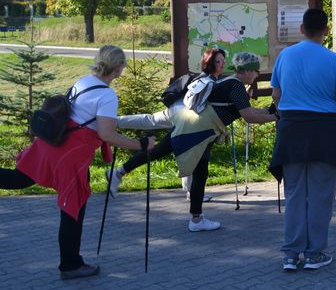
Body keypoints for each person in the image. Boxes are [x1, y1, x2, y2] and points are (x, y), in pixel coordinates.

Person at [0, 46, 154, 279]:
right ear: (119, 68)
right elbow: (106, 134)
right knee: (73, 208)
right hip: (69, 155)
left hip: (52, 143)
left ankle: (71, 261)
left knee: (19, 178)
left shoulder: (83, 81)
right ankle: (70, 265)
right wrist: (141, 145)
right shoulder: (107, 95)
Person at [108, 52, 276, 232]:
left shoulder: (228, 81)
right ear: (248, 70)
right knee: (198, 172)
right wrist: (274, 117)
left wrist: (268, 112)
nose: (257, 75)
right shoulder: (236, 87)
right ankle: (196, 219)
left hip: (191, 125)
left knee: (161, 153)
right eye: (256, 71)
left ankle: (118, 172)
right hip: (197, 132)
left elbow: (248, 110)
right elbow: (249, 116)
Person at [270, 8, 336, 272]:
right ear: (326, 31)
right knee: (320, 195)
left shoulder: (285, 56)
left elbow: (276, 95)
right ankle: (314, 254)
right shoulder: (334, 60)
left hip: (292, 131)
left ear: (301, 28)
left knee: (295, 193)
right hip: (324, 133)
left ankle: (290, 253)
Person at [117, 47, 227, 201]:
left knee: (153, 125)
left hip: (177, 112)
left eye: (223, 61)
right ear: (209, 63)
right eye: (218, 61)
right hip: (183, 118)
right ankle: (192, 197)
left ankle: (115, 123)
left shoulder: (209, 80)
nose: (222, 64)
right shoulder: (208, 81)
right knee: (187, 151)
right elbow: (198, 106)